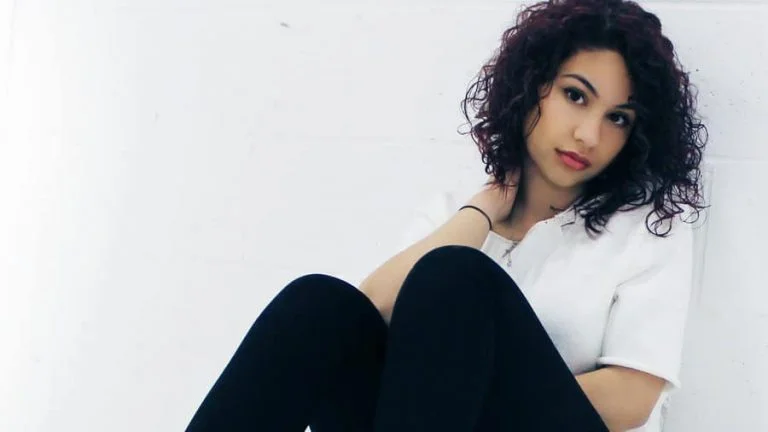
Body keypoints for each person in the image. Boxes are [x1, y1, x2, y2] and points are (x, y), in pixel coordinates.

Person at [185, 0, 707, 431]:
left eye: (618, 119)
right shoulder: (457, 210)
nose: (589, 135)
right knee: (318, 304)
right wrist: (483, 209)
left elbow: (632, 398)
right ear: (533, 87)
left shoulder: (647, 225)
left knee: (457, 279)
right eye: (575, 96)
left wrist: (469, 390)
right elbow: (366, 312)